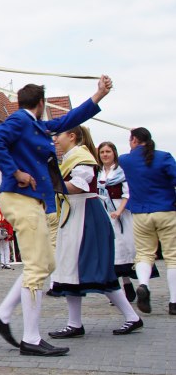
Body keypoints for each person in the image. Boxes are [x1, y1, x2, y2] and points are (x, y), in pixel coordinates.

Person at [0, 76, 112, 357]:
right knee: (38, 267)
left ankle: (3, 314)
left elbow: (69, 119)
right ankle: (30, 338)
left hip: (32, 200)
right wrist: (14, 172)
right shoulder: (20, 121)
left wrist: (97, 96)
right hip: (20, 198)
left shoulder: (37, 126)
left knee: (45, 262)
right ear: (41, 103)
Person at [47, 126, 142, 338]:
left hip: (85, 214)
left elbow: (78, 186)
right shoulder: (73, 156)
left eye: (58, 136)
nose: (55, 140)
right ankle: (75, 323)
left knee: (94, 269)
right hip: (76, 214)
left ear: (71, 136)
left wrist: (51, 178)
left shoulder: (81, 156)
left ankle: (131, 317)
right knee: (70, 269)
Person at [119, 127, 176, 316]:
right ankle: (174, 302)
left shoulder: (126, 160)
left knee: (144, 254)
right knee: (172, 257)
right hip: (166, 210)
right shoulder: (164, 157)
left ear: (134, 140)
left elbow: (129, 160)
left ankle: (143, 284)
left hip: (140, 213)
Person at [97, 141, 139, 301]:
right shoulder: (99, 173)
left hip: (120, 211)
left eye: (108, 151)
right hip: (104, 211)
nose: (105, 155)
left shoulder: (121, 171)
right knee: (112, 250)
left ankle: (130, 284)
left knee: (125, 248)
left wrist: (119, 211)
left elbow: (127, 194)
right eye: (102, 152)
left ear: (114, 153)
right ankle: (121, 288)